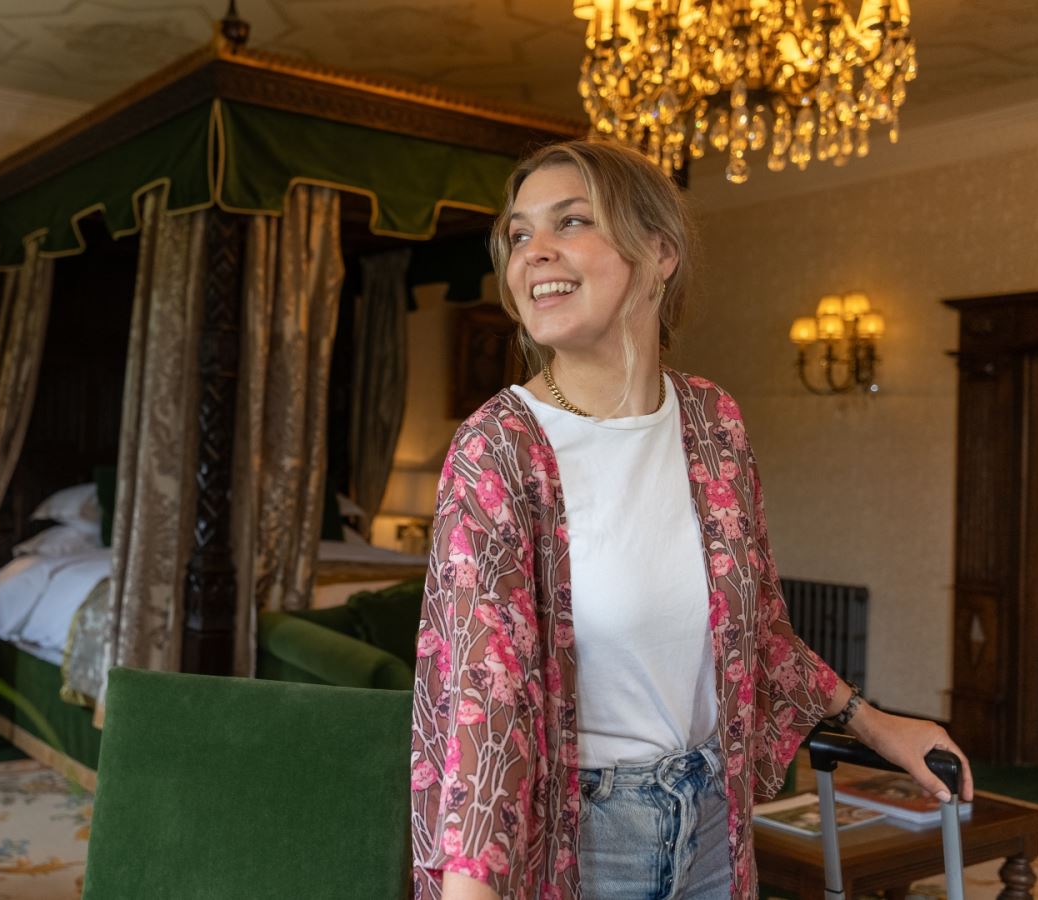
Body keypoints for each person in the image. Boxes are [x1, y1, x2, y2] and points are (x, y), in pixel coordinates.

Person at [408, 139, 972, 900]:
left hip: (714, 822)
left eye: (570, 222)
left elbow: (759, 629)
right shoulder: (498, 448)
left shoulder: (714, 423)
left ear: (659, 252)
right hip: (580, 841)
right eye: (517, 235)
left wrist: (876, 723)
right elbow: (485, 697)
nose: (533, 252)